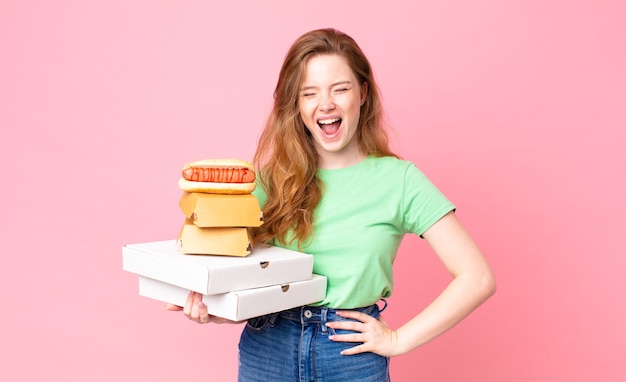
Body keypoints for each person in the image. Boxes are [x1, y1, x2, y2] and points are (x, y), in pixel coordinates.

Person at [166, 28, 496, 381]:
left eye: (340, 89)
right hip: (268, 348)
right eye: (310, 93)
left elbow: (477, 278)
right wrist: (216, 306)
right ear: (297, 104)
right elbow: (224, 258)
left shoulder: (400, 181)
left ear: (363, 93)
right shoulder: (269, 180)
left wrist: (399, 339)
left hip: (349, 355)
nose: (326, 104)